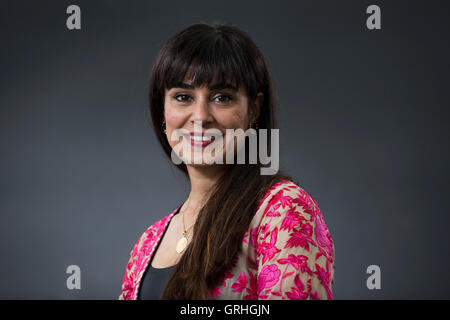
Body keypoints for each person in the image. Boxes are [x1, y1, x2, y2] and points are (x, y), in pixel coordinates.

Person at [119, 23, 335, 300]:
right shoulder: (148, 242)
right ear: (162, 110)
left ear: (253, 110)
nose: (200, 116)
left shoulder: (282, 210)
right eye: (183, 97)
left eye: (222, 98)